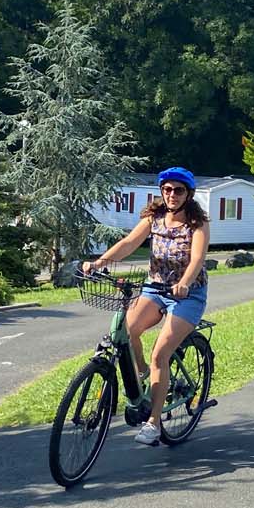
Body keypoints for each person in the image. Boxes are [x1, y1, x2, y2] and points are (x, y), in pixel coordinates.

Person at [82, 166, 210, 446]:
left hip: (188, 294)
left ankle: (153, 423)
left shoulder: (197, 223)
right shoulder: (154, 217)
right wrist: (99, 262)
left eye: (178, 190)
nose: (172, 194)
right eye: (167, 189)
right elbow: (129, 243)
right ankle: (144, 375)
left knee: (160, 353)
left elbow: (197, 259)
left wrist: (185, 282)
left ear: (188, 194)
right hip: (155, 287)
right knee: (126, 332)